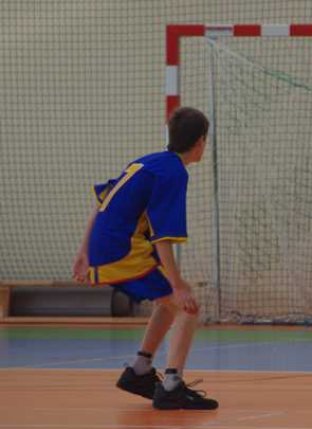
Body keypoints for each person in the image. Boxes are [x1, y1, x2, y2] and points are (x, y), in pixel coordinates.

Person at [72, 106, 218, 410]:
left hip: (108, 242)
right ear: (200, 141)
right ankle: (172, 386)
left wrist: (84, 251)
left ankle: (139, 371)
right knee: (186, 306)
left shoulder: (149, 161)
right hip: (122, 248)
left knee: (168, 302)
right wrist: (178, 284)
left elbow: (101, 203)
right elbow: (162, 237)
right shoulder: (173, 173)